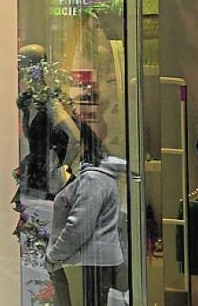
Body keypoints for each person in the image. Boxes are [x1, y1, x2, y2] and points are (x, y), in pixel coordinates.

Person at [46, 131, 123, 306]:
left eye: (62, 145)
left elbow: (79, 227)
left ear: (83, 147)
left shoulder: (92, 179)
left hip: (85, 264)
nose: (57, 151)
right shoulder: (91, 176)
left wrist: (54, 255)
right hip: (87, 262)